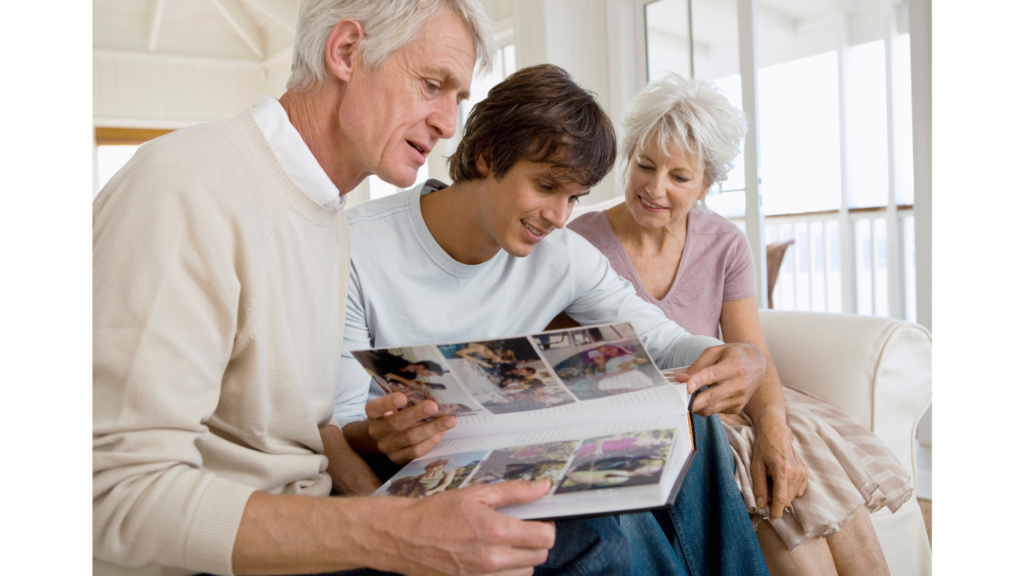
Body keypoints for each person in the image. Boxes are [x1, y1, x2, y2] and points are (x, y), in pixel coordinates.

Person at [93, 1, 625, 575]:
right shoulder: (185, 187)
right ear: (345, 52)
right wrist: (394, 533)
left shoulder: (326, 218)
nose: (449, 123)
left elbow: (304, 430)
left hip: (316, 526)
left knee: (598, 522)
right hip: (227, 560)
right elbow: (109, 495)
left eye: (458, 99)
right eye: (431, 85)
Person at [335, 64, 771, 576]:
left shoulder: (561, 254)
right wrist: (380, 434)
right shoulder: (355, 247)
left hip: (518, 446)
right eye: (546, 186)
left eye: (574, 197)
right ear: (486, 155)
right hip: (422, 465)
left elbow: (660, 339)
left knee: (695, 410)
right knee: (601, 528)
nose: (559, 217)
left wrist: (737, 358)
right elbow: (340, 423)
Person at [568, 72, 913, 575]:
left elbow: (752, 349)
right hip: (671, 413)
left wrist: (775, 429)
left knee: (802, 462)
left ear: (707, 183)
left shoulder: (724, 242)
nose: (655, 188)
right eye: (644, 165)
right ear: (628, 156)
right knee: (780, 502)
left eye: (680, 177)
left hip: (739, 397)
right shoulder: (579, 245)